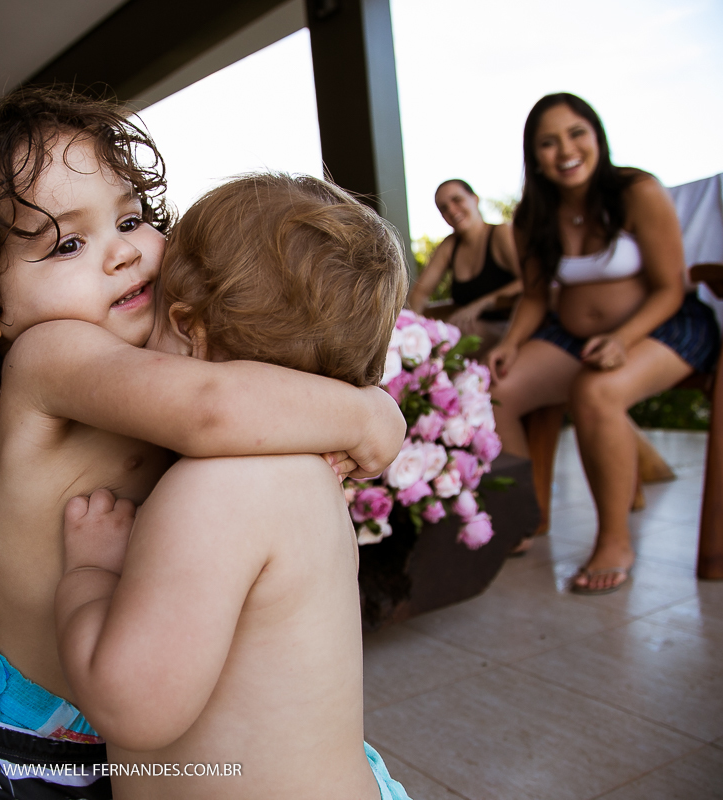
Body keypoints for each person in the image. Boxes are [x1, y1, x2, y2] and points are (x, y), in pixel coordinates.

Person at [0, 87, 406, 798]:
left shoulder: (154, 359)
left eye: (131, 218)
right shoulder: (51, 356)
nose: (124, 253)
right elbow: (213, 409)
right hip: (37, 738)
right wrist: (366, 412)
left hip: (127, 696)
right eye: (68, 244)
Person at [55, 174, 411, 799]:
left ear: (187, 327)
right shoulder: (310, 474)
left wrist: (91, 574)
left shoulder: (214, 492)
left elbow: (132, 706)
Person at [487, 93, 720, 594]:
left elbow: (670, 288)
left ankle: (615, 540)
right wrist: (511, 342)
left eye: (576, 134)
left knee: (595, 391)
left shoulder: (637, 192)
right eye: (548, 143)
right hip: (571, 335)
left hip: (664, 325)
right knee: (496, 387)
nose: (566, 150)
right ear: (534, 156)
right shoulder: (531, 218)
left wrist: (621, 339)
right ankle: (522, 517)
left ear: (597, 137)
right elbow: (534, 295)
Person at [407, 179, 522, 351]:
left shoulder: (501, 233)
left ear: (475, 199)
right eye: (443, 208)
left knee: (458, 336)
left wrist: (480, 304)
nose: (452, 211)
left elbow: (529, 281)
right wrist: (410, 329)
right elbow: (420, 293)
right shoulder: (449, 245)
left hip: (513, 328)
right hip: (470, 331)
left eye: (457, 200)